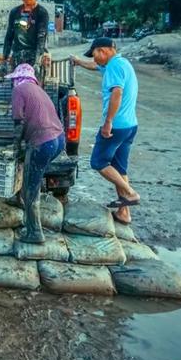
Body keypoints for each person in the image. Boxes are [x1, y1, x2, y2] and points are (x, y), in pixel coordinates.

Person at [72, 38, 140, 225]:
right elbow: (95, 67)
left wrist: (108, 122)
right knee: (119, 167)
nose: (94, 59)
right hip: (130, 125)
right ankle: (124, 212)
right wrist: (78, 62)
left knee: (98, 161)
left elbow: (116, 92)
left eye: (95, 54)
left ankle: (131, 193)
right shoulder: (121, 63)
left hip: (116, 125)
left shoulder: (113, 68)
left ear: (103, 51)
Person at [5, 63, 65, 243]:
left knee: (32, 186)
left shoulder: (19, 90)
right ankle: (22, 201)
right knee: (31, 174)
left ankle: (35, 232)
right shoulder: (39, 90)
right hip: (58, 140)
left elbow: (19, 121)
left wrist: (15, 147)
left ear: (17, 78)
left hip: (42, 143)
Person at [2, 0, 50, 75]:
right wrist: (5, 59)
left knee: (33, 90)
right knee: (18, 89)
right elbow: (9, 37)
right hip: (17, 59)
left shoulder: (42, 13)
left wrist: (37, 62)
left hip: (34, 58)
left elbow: (41, 38)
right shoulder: (14, 12)